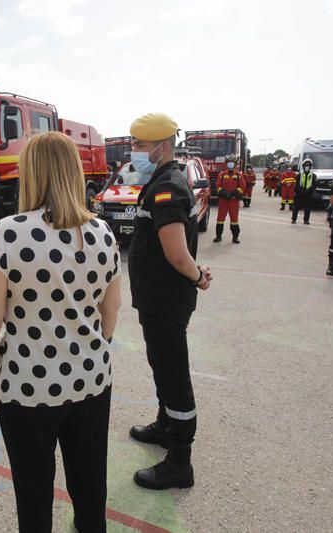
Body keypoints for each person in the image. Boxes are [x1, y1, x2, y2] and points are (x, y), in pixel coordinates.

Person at [0, 131, 122, 532]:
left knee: (34, 487)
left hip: (28, 385)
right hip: (91, 377)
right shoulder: (103, 232)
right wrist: (94, 346)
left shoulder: (8, 232)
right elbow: (111, 309)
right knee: (90, 480)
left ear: (31, 174)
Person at [126, 113, 212, 490]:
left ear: (162, 146)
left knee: (174, 375)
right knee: (162, 366)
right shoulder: (163, 180)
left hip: (165, 300)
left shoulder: (168, 188)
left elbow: (176, 253)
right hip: (157, 299)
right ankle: (165, 426)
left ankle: (180, 461)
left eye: (140, 146)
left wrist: (198, 277)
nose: (134, 152)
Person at [213, 154, 246, 243]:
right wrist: (223, 193)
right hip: (223, 200)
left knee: (234, 219)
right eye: (229, 163)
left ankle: (235, 237)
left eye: (232, 163)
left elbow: (242, 186)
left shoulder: (238, 175)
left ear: (235, 164)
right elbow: (218, 186)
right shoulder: (222, 174)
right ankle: (218, 236)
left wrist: (234, 193)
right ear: (226, 164)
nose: (230, 164)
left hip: (234, 201)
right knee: (220, 219)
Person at [292, 158, 317, 224]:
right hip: (299, 194)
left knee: (307, 208)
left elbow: (314, 185)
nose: (307, 167)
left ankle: (306, 220)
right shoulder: (299, 175)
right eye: (306, 166)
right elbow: (296, 185)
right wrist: (301, 190)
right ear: (303, 166)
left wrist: (309, 190)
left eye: (308, 166)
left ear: (310, 167)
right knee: (296, 207)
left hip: (308, 194)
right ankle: (294, 219)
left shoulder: (313, 176)